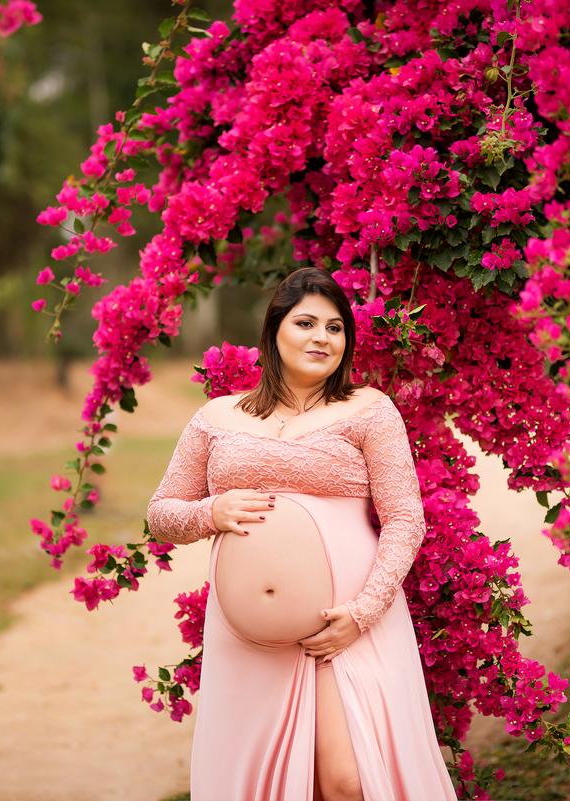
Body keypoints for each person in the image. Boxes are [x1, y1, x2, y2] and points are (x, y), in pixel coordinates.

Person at [147, 267, 457, 801]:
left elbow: (406, 518)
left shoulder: (369, 409)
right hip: (247, 641)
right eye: (306, 323)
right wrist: (212, 511)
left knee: (348, 782)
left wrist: (362, 613)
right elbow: (161, 514)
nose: (322, 338)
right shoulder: (218, 416)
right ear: (275, 330)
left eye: (335, 328)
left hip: (346, 625)